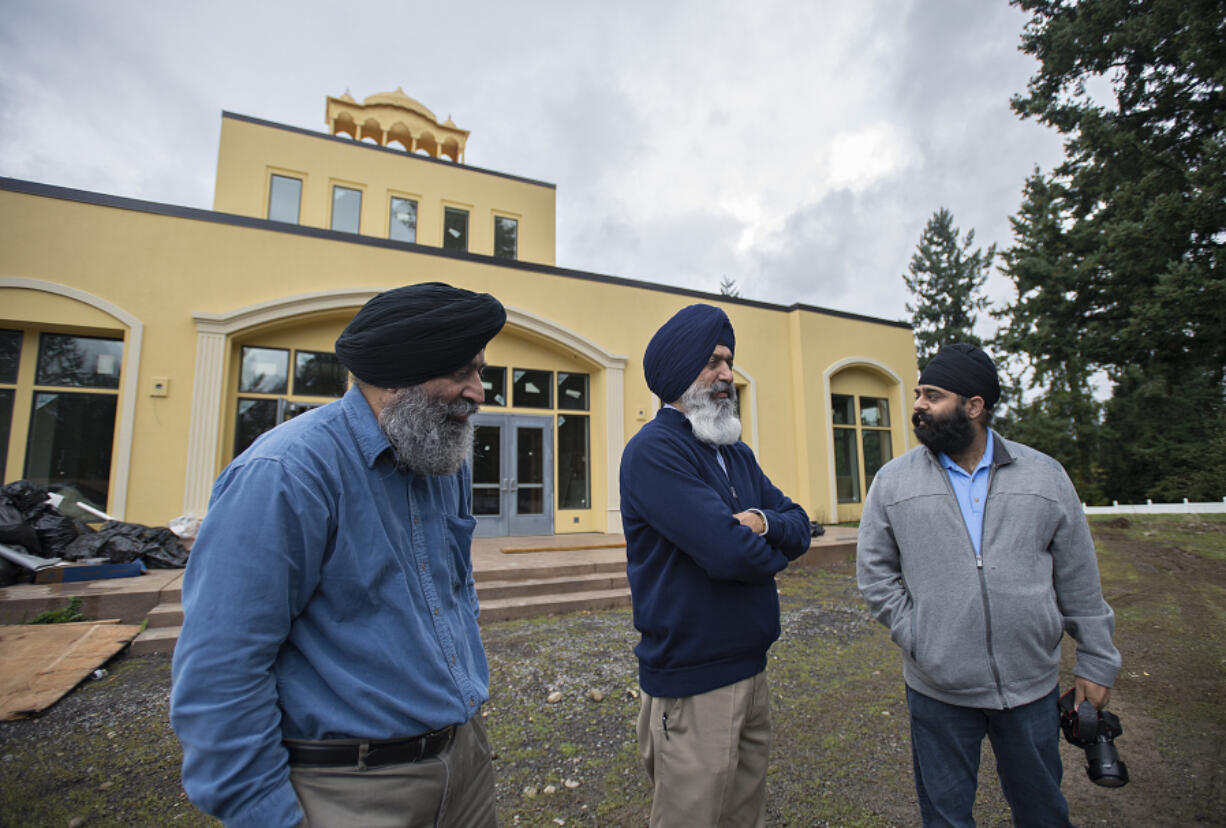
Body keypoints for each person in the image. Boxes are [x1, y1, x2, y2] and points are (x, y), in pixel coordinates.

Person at [170, 282, 505, 828]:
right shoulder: (286, 475)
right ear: (402, 371)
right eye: (463, 372)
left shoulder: (446, 463)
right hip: (350, 788)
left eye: (480, 373)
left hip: (463, 762)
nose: (478, 391)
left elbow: (454, 594)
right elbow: (221, 670)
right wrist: (265, 816)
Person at [856, 343, 1121, 828]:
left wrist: (1097, 659)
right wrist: (919, 637)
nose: (918, 405)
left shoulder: (1044, 475)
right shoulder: (892, 482)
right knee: (946, 818)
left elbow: (1079, 576)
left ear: (974, 407)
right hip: (938, 691)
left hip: (1031, 689)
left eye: (932, 395)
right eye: (918, 394)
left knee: (1042, 812)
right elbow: (874, 574)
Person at [619, 303, 812, 828]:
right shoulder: (654, 451)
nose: (728, 374)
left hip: (752, 670)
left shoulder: (737, 453)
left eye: (728, 361)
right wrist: (756, 539)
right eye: (713, 362)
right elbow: (728, 552)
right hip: (692, 684)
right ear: (680, 371)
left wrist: (758, 522)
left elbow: (801, 524)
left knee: (741, 818)